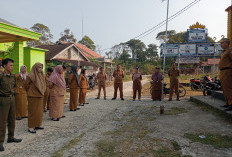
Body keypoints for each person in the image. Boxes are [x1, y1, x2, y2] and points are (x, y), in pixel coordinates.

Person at [0, 58, 22, 152]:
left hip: (12, 98)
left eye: (13, 65)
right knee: (2, 121)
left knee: (12, 119)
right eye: (10, 65)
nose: (12, 67)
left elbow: (14, 86)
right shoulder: (1, 76)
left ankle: (11, 137)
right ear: (4, 66)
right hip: (3, 99)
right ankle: (0, 142)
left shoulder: (13, 76)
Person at [25, 63, 46, 134]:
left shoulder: (41, 75)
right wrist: (31, 91)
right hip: (33, 96)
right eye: (39, 67)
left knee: (39, 112)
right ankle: (31, 126)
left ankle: (37, 124)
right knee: (32, 111)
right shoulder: (31, 75)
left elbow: (43, 84)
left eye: (41, 68)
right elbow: (26, 85)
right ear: (35, 68)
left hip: (40, 95)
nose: (40, 69)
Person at [218, 38, 232, 111]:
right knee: (224, 88)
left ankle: (231, 104)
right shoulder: (223, 52)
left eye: (222, 43)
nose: (220, 44)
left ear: (226, 43)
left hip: (228, 71)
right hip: (223, 71)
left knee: (228, 88)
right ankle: (227, 103)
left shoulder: (230, 51)